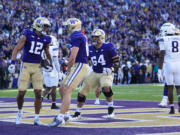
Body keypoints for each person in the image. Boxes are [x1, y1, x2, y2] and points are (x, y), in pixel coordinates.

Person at [8, 17, 52, 125]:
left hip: (37, 67)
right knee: (21, 92)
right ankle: (19, 112)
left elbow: (47, 52)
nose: (46, 28)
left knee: (38, 92)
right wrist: (13, 63)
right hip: (26, 65)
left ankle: (36, 118)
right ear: (38, 25)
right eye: (44, 26)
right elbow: (17, 48)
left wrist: (51, 63)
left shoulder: (46, 38)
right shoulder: (27, 34)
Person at [48, 18, 89, 127]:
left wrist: (69, 68)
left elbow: (73, 56)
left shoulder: (76, 36)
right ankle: (66, 114)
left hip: (79, 65)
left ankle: (60, 118)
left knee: (67, 89)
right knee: (62, 88)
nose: (67, 28)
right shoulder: (80, 35)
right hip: (80, 64)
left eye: (68, 26)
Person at [71, 29, 119, 120]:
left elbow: (116, 61)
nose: (94, 38)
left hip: (106, 72)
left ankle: (111, 109)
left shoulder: (109, 46)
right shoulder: (89, 48)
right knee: (82, 92)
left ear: (101, 37)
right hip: (94, 72)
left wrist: (112, 69)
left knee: (106, 87)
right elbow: (87, 60)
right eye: (93, 37)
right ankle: (77, 113)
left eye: (96, 37)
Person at [158, 23, 180, 114]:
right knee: (179, 87)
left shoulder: (163, 39)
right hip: (178, 64)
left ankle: (171, 108)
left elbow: (162, 55)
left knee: (170, 87)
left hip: (168, 65)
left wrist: (159, 70)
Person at [41, 35, 60, 109]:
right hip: (52, 69)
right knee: (54, 87)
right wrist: (59, 71)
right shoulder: (53, 48)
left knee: (48, 87)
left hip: (45, 69)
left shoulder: (43, 48)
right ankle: (53, 104)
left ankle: (39, 101)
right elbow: (55, 60)